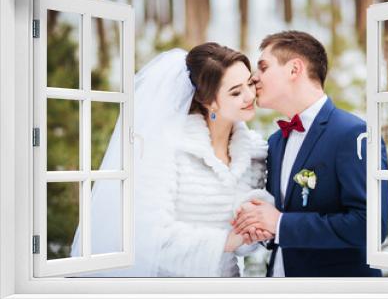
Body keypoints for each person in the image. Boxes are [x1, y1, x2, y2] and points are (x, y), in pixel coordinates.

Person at [70, 43, 273, 277]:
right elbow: (149, 238)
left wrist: (255, 228)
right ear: (209, 101)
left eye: (250, 83)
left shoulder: (254, 152)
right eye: (235, 92)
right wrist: (226, 242)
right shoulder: (168, 147)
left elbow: (245, 242)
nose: (250, 95)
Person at [231, 30, 388, 277]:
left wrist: (280, 224)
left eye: (263, 67)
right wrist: (263, 227)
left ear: (295, 69)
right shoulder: (275, 142)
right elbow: (279, 219)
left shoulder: (353, 134)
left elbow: (369, 225)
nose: (254, 78)